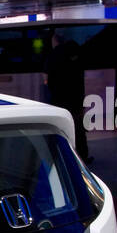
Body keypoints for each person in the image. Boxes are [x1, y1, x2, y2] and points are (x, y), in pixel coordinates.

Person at [45, 32, 90, 161]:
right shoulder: (74, 58)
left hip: (58, 98)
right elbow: (79, 81)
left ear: (55, 41)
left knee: (61, 128)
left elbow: (50, 81)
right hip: (75, 99)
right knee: (79, 129)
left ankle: (64, 155)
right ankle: (82, 155)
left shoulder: (53, 56)